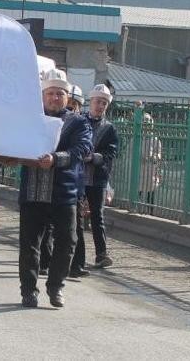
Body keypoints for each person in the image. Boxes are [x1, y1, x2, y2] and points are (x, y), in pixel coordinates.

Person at [18, 69, 92, 308]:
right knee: (30, 243)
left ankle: (56, 286)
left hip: (64, 193)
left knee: (68, 240)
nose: (54, 98)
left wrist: (56, 158)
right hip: (33, 191)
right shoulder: (30, 119)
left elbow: (82, 149)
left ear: (67, 97)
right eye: (50, 93)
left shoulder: (78, 122)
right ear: (43, 96)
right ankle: (28, 291)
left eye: (59, 94)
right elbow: (14, 141)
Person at [83, 84, 119, 269]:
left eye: (104, 103)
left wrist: (94, 157)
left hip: (97, 179)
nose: (100, 106)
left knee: (97, 216)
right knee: (74, 216)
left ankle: (101, 254)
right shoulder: (80, 121)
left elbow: (111, 153)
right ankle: (74, 255)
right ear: (91, 101)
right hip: (77, 176)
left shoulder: (109, 128)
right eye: (98, 101)